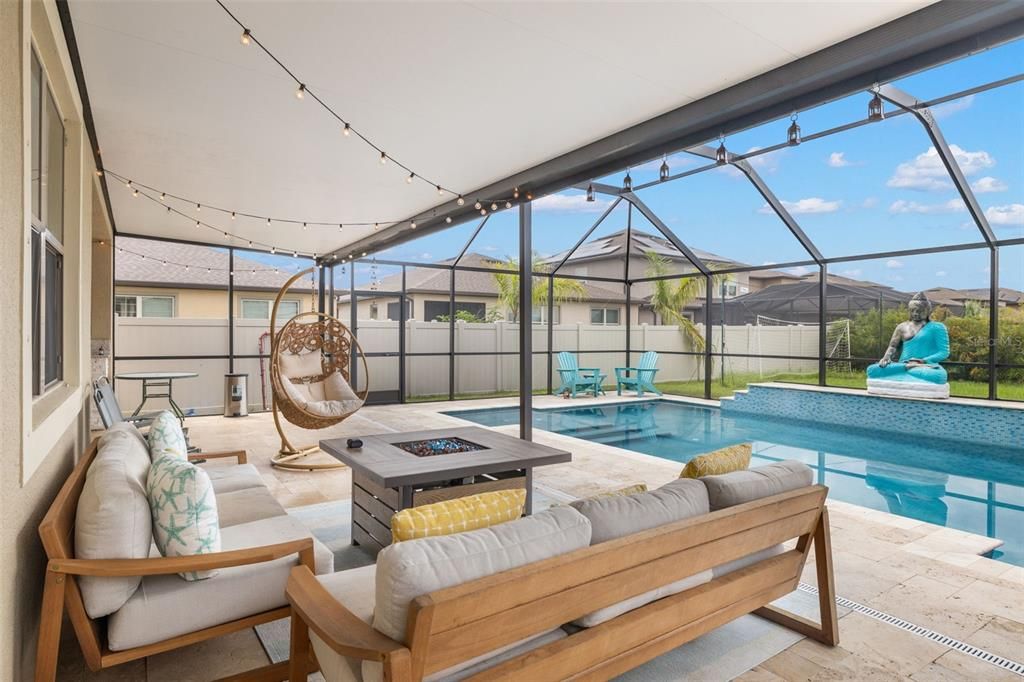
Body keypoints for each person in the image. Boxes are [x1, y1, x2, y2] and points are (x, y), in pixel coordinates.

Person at [866, 292, 950, 398]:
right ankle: (907, 368)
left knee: (939, 376)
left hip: (924, 365)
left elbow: (944, 352)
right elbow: (893, 346)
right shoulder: (902, 327)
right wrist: (886, 357)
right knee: (872, 370)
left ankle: (908, 369)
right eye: (913, 310)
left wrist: (922, 361)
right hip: (904, 364)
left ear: (928, 311)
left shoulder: (937, 327)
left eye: (919, 311)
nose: (915, 313)